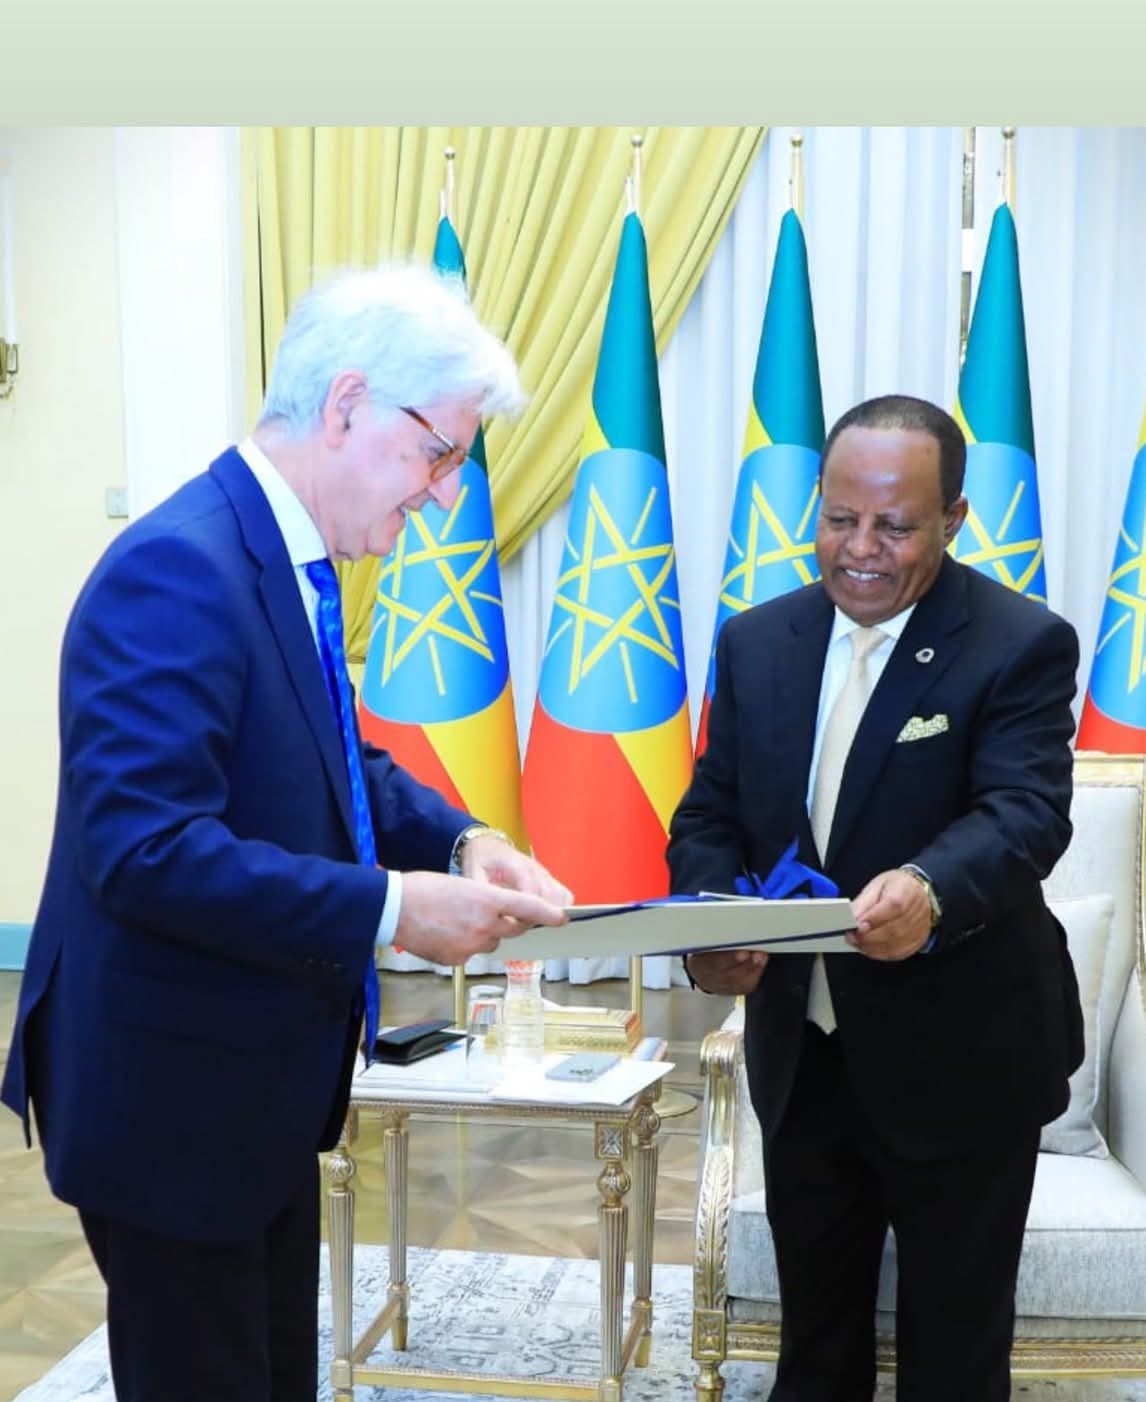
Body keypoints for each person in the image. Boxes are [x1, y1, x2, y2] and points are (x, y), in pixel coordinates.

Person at [1, 263, 571, 1402]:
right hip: (170, 1100)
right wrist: (396, 909)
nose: (443, 497)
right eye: (438, 454)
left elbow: (330, 758)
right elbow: (146, 850)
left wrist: (461, 840)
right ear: (347, 403)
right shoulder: (180, 567)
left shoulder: (278, 554)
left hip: (250, 1085)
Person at [668, 395, 1083, 1402]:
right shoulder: (757, 640)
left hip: (963, 1057)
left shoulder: (1019, 642)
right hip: (805, 1057)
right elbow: (710, 814)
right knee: (816, 1344)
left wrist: (931, 890)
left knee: (954, 1354)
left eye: (894, 526)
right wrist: (712, 920)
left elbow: (1024, 813)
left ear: (954, 519)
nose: (860, 550)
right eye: (839, 519)